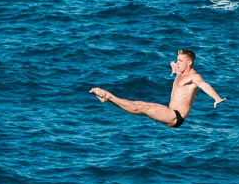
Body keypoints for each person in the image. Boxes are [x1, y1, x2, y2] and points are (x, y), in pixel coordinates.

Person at [90, 49, 226, 128]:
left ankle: (109, 96)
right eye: (177, 60)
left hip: (176, 117)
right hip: (170, 111)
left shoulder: (193, 76)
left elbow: (204, 85)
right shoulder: (182, 73)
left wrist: (216, 98)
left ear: (189, 63)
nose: (177, 63)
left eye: (180, 61)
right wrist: (175, 68)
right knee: (140, 105)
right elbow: (178, 72)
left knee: (143, 108)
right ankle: (108, 100)